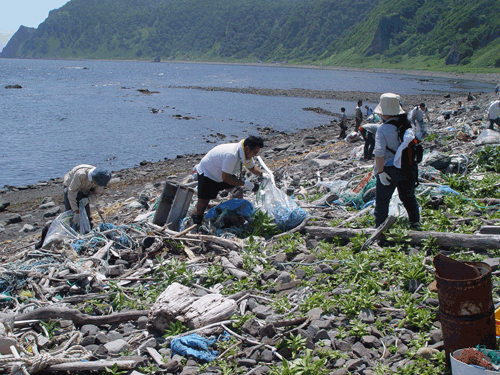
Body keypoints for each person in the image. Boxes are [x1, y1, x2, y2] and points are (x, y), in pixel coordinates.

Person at [191, 136, 267, 225]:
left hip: (222, 173)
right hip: (208, 174)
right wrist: (246, 184)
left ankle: (234, 216)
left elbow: (252, 167)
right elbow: (226, 178)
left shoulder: (244, 153)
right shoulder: (232, 155)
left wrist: (263, 174)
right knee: (202, 204)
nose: (256, 155)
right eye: (255, 152)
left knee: (237, 192)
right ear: (247, 148)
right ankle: (195, 226)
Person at [373, 93, 420, 229]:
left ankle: (380, 227)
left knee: (382, 200)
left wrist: (380, 172)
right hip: (408, 168)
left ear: (385, 114)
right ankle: (415, 222)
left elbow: (379, 153)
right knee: (408, 197)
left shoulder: (383, 129)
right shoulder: (407, 125)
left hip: (389, 169)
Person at [63, 165, 112, 229]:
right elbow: (71, 192)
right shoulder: (80, 175)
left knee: (86, 215)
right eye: (97, 184)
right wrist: (76, 211)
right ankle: (71, 231)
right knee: (71, 214)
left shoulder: (100, 180)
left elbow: (97, 193)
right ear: (94, 180)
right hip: (70, 188)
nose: (98, 186)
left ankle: (88, 230)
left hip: (85, 189)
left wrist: (88, 199)